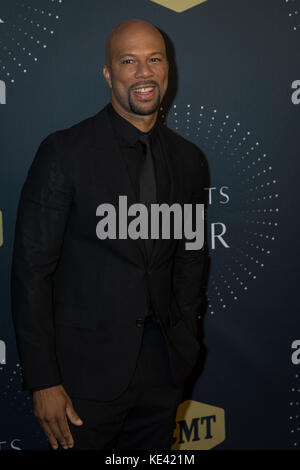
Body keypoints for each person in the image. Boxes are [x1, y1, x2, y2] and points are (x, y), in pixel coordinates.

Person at [11, 18, 206, 451]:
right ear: (108, 73)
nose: (143, 72)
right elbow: (31, 272)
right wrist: (44, 380)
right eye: (128, 61)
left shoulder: (189, 161)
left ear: (167, 69)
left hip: (163, 374)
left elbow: (191, 256)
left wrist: (185, 346)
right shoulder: (64, 152)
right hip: (82, 383)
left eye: (154, 59)